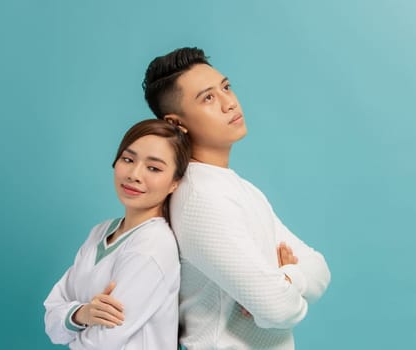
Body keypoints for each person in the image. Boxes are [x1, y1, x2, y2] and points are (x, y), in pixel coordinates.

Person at [141, 47, 332, 349]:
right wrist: (283, 282)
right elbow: (277, 308)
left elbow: (320, 269)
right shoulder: (200, 199)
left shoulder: (237, 188)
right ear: (177, 123)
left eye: (226, 87)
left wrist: (284, 279)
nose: (229, 103)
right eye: (208, 98)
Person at [44, 118, 191, 349]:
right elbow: (52, 319)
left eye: (153, 168)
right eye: (128, 159)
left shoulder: (153, 245)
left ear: (175, 183)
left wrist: (72, 318)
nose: (134, 174)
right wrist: (82, 313)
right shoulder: (101, 232)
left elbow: (100, 344)